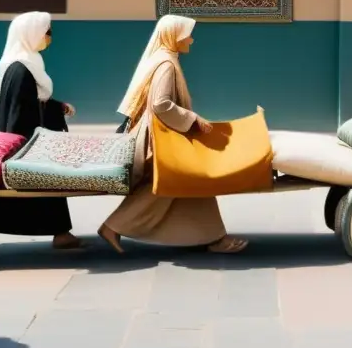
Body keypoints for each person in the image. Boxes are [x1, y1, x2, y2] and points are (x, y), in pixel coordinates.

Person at [99, 15, 247, 254]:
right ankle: (113, 226)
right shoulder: (166, 64)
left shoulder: (163, 59)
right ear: (173, 35)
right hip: (161, 139)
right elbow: (161, 104)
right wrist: (193, 120)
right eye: (186, 34)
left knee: (192, 184)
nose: (190, 40)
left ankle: (211, 237)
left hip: (162, 135)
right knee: (169, 185)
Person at [0, 12, 80, 252]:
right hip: (24, 137)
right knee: (22, 185)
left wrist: (57, 107)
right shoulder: (21, 68)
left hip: (31, 135)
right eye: (47, 32)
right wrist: (23, 145)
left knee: (45, 182)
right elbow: (19, 111)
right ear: (30, 33)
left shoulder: (28, 62)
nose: (49, 37)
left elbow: (32, 100)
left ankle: (61, 233)